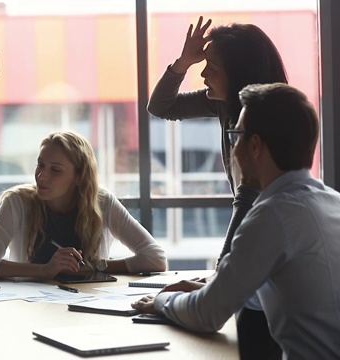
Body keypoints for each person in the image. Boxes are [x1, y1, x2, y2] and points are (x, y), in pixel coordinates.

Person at [133, 83, 340, 359]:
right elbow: (276, 289)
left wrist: (162, 300)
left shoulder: (272, 215)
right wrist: (212, 287)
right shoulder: (330, 200)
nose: (232, 149)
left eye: (235, 136)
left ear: (254, 145)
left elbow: (207, 315)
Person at [147, 17, 288, 358]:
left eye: (211, 67)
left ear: (239, 75)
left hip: (270, 246)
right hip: (254, 251)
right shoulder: (226, 105)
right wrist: (183, 61)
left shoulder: (267, 124)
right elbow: (161, 107)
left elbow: (251, 201)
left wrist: (216, 281)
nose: (202, 73)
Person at [0, 131, 167, 279]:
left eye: (55, 170)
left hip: (87, 307)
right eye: (40, 165)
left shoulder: (102, 202)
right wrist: (44, 270)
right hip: (30, 310)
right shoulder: (18, 202)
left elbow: (156, 258)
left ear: (79, 177)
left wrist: (97, 266)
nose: (41, 176)